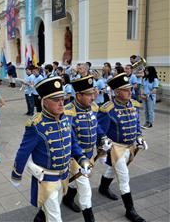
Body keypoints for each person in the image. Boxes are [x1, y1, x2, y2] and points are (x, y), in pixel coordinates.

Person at [11, 76, 90, 222]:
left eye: (62, 98)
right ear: (44, 101)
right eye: (56, 100)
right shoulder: (36, 125)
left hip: (63, 175)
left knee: (51, 209)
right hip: (46, 179)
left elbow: (72, 142)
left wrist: (82, 158)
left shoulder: (66, 118)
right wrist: (17, 174)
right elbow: (23, 151)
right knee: (55, 217)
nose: (61, 103)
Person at [97, 72, 147, 222]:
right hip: (115, 148)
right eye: (126, 90)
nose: (130, 92)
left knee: (112, 169)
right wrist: (102, 144)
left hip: (130, 146)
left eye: (130, 89)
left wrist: (139, 137)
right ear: (117, 92)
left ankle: (103, 188)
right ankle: (130, 210)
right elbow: (98, 128)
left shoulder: (133, 104)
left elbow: (137, 123)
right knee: (124, 177)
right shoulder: (108, 109)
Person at [63, 75, 111, 221]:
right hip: (74, 158)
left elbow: (96, 127)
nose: (93, 96)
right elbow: (69, 138)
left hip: (88, 156)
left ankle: (66, 199)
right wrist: (80, 157)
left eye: (93, 92)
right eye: (89, 94)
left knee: (73, 182)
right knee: (85, 191)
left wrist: (103, 139)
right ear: (78, 95)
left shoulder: (93, 107)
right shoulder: (68, 112)